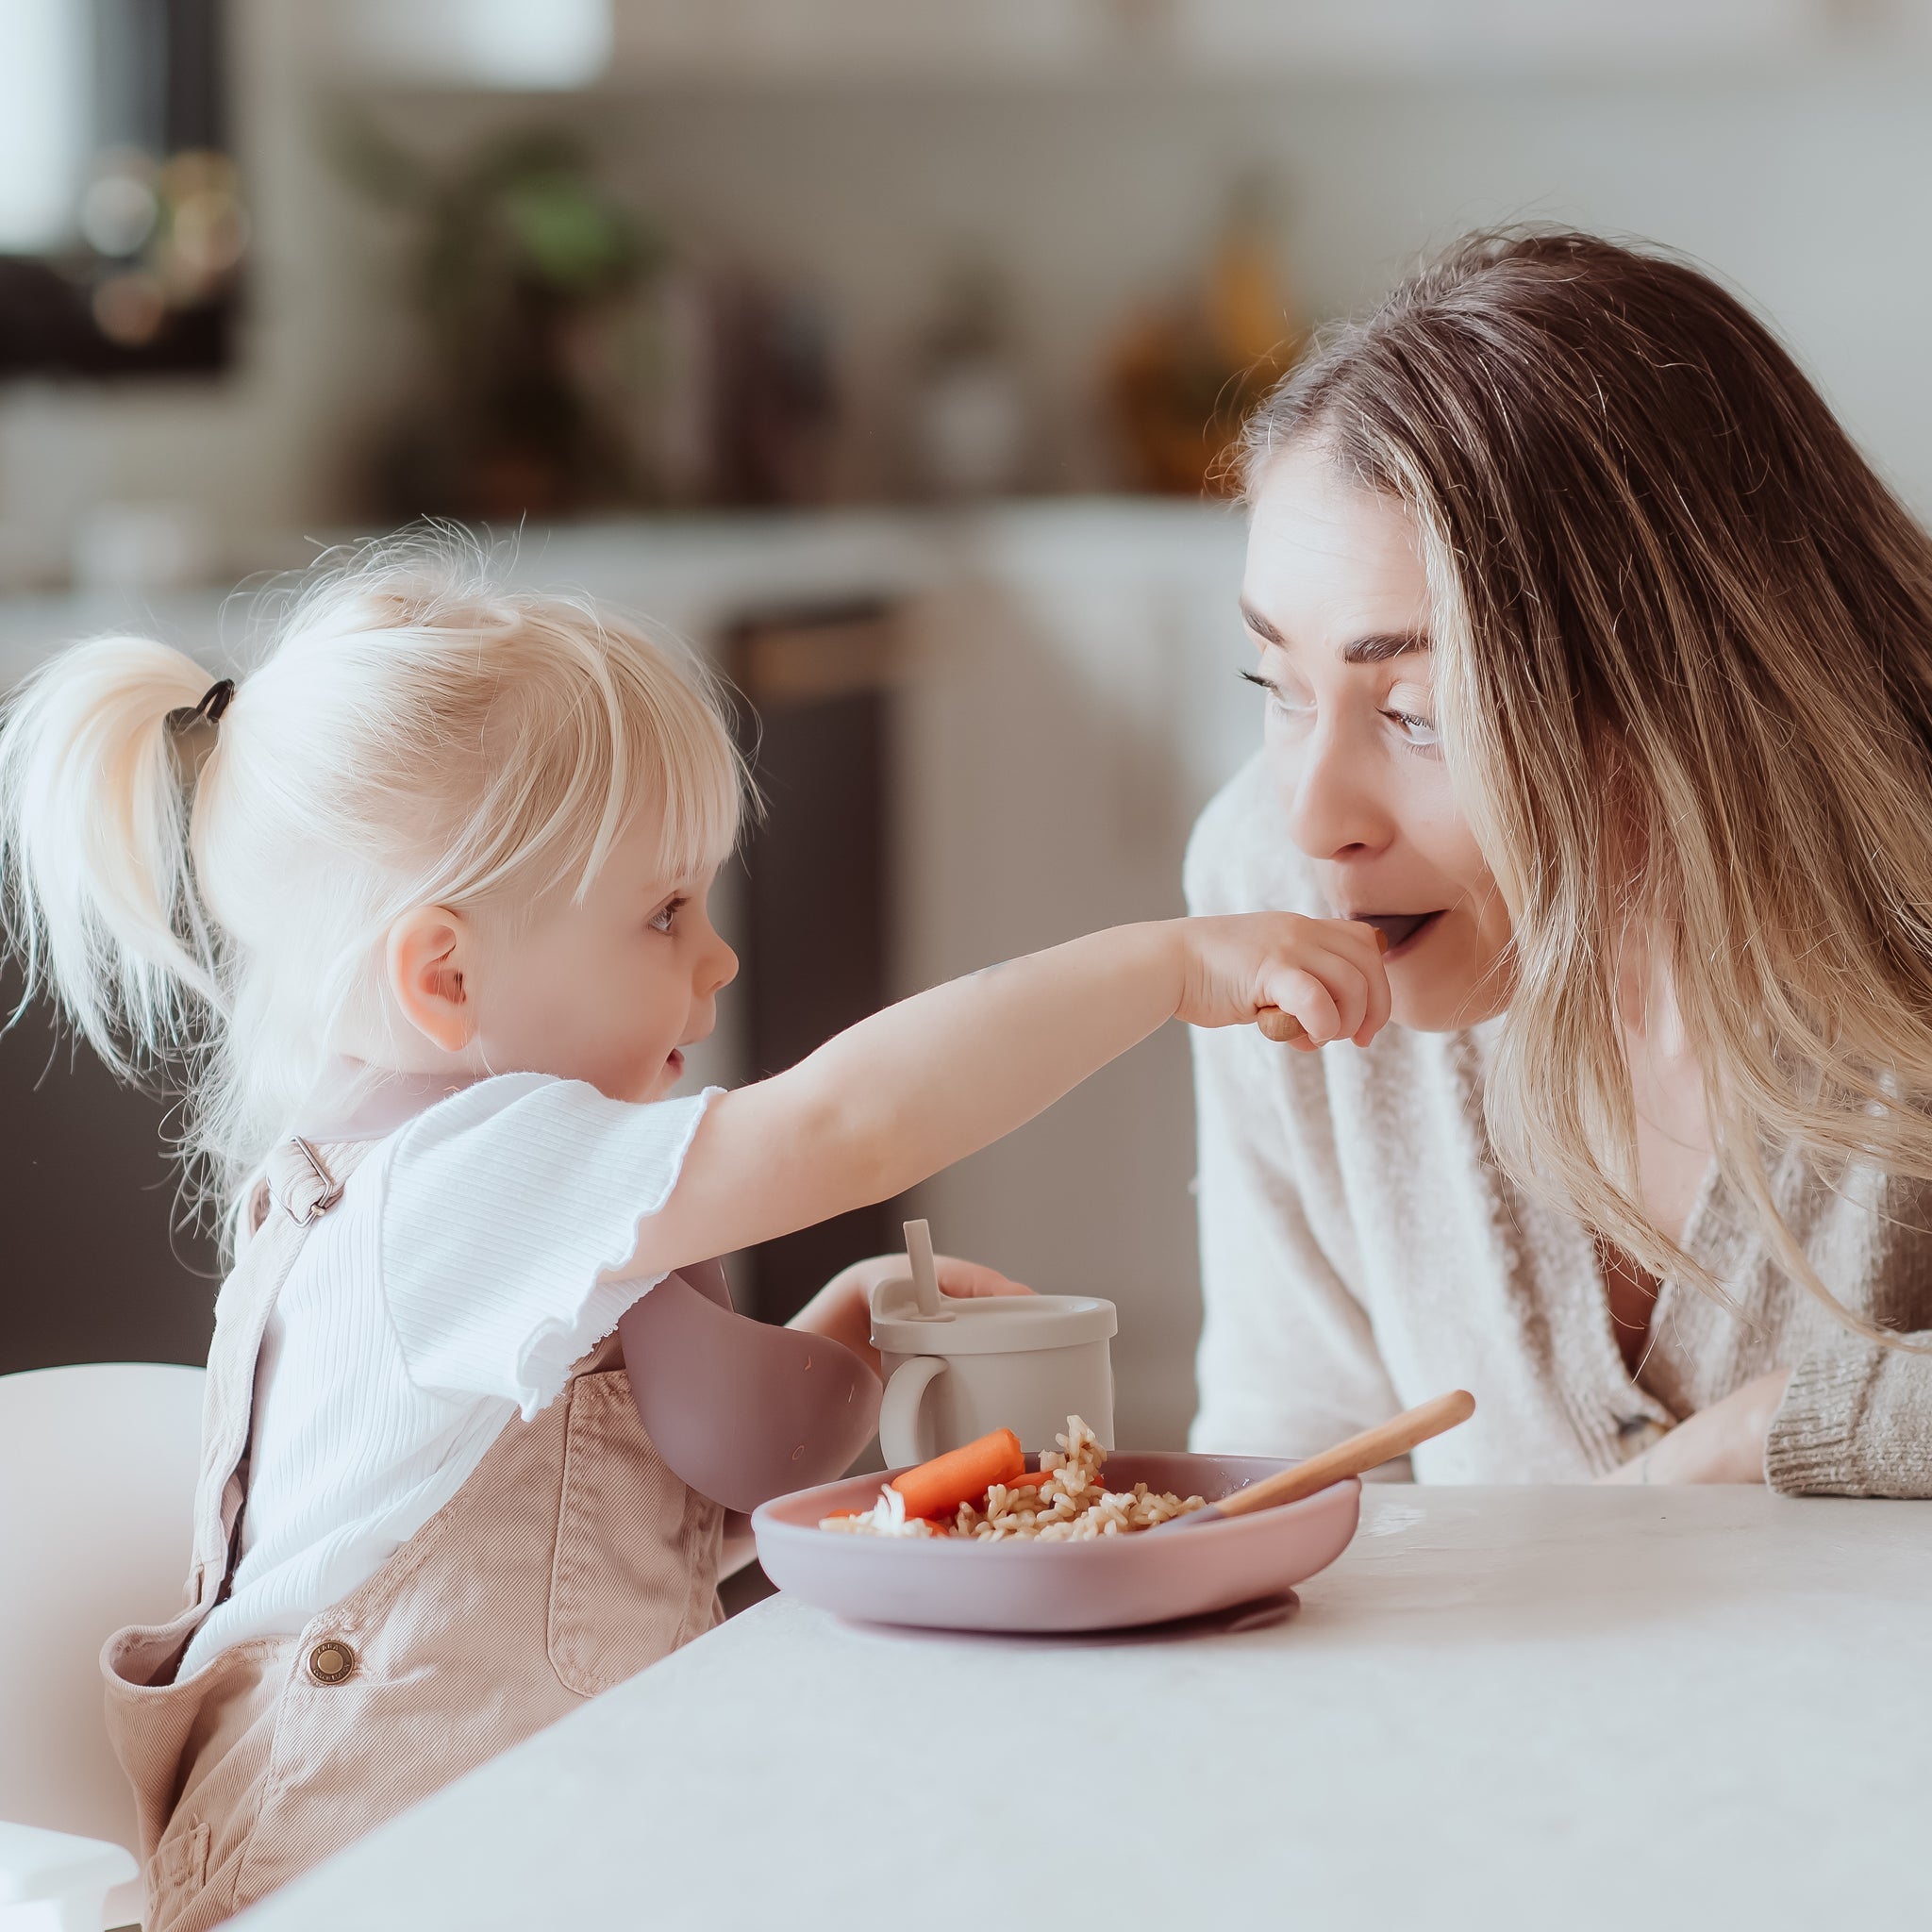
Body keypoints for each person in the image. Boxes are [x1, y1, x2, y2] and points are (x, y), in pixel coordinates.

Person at [0, 535, 1385, 1931]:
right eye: (663, 911)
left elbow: (668, 1507)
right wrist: (1168, 963)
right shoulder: (471, 1178)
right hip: (370, 1876)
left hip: (511, 1845)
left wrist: (840, 1334)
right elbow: (847, 1127)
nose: (716, 958)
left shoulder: (447, 1187)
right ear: (448, 973)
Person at [1187, 228, 1932, 1495]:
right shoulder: (1266, 884)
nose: (1316, 823)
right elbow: (1291, 1462)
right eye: (1281, 685)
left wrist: (1787, 1428)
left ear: (1686, 700)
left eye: (1418, 713)